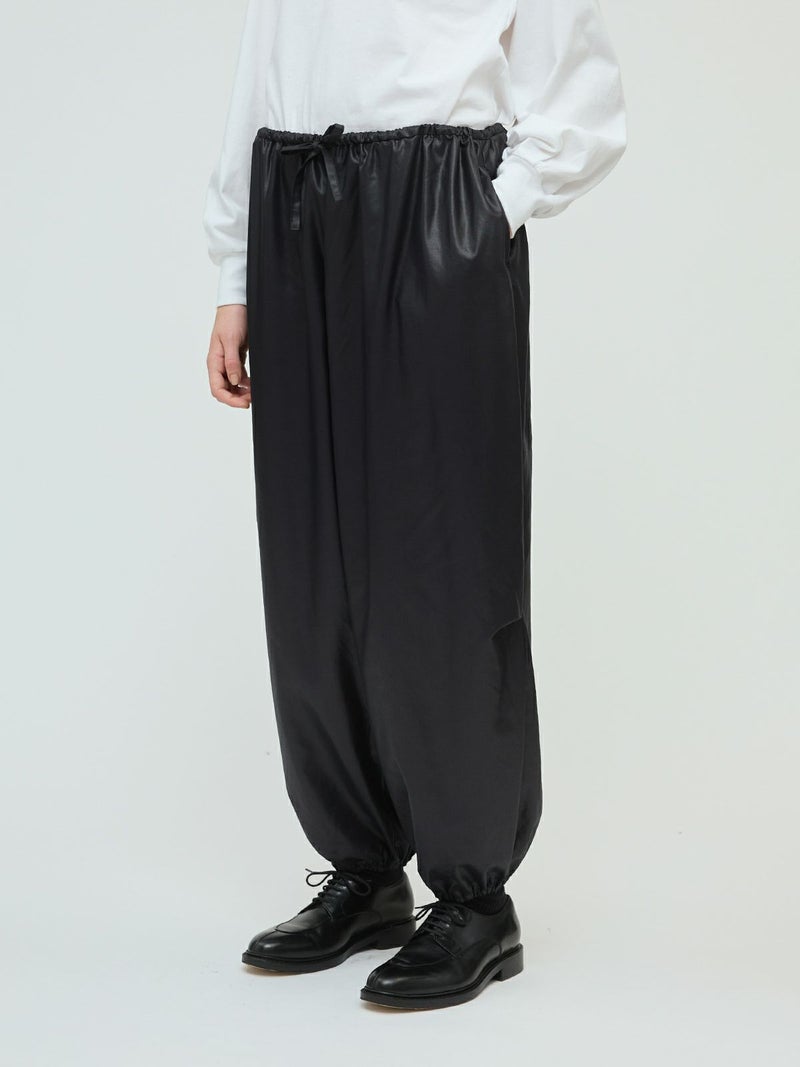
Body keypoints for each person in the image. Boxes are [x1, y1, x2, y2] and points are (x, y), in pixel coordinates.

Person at [202, 0, 626, 1010]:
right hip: (294, 197)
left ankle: (475, 898)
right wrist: (236, 271)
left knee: (440, 559)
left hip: (432, 204)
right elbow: (263, 66)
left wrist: (486, 210)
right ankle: (365, 871)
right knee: (313, 557)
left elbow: (582, 94)